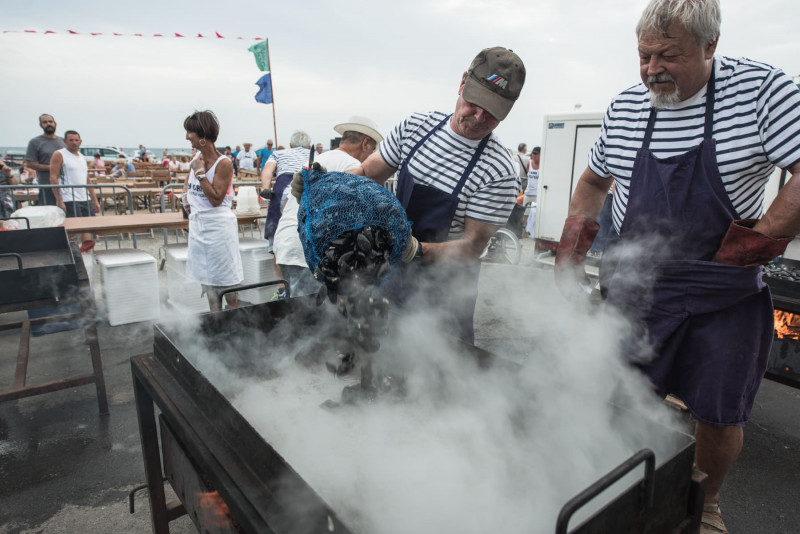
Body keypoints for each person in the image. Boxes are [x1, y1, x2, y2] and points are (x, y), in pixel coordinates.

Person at [553, 1, 800, 532]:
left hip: (722, 290)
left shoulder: (761, 91)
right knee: (618, 398)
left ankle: (705, 503)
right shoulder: (626, 107)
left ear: (711, 47)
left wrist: (752, 246)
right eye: (644, 56)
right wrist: (571, 252)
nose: (652, 70)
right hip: (636, 287)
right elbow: (594, 182)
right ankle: (621, 488)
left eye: (669, 55)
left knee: (718, 412)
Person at [343, 47, 525, 343]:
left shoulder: (499, 170)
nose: (479, 117)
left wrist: (415, 251)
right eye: (474, 103)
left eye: (493, 113)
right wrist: (326, 185)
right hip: (392, 273)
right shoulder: (416, 127)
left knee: (437, 376)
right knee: (380, 352)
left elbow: (472, 246)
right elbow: (366, 174)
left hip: (446, 293)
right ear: (462, 82)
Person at [274, 117, 383, 297]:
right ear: (365, 143)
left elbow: (288, 202)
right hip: (307, 251)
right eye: (372, 149)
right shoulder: (353, 165)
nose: (371, 155)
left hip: (286, 243)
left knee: (293, 313)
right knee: (311, 318)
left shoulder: (320, 158)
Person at [182, 110, 243, 312]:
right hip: (199, 230)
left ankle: (233, 323)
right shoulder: (195, 159)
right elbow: (187, 189)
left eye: (190, 132)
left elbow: (216, 199)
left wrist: (200, 173)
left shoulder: (223, 163)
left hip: (218, 231)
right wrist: (185, 200)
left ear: (202, 135)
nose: (187, 136)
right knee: (207, 283)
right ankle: (215, 322)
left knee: (227, 284)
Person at [49, 130, 101, 252]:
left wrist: (94, 199)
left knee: (86, 227)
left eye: (76, 140)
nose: (74, 142)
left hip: (84, 197)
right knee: (71, 229)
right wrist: (59, 199)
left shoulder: (82, 156)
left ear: (80, 141)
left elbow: (87, 178)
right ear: (65, 141)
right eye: (71, 140)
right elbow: (53, 177)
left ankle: (87, 254)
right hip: (69, 197)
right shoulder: (59, 154)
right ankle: (62, 252)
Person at [260, 130, 312, 252]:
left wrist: (265, 188)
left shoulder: (278, 154)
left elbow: (267, 171)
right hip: (307, 194)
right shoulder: (314, 155)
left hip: (283, 192)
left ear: (290, 145)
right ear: (309, 146)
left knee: (278, 246)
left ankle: (275, 248)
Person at [24, 114, 65, 206]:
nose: (48, 124)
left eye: (50, 121)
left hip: (66, 186)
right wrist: (52, 168)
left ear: (55, 123)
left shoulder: (63, 141)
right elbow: (30, 163)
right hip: (47, 185)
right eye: (45, 122)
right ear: (41, 125)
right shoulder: (35, 142)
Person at [523, 146, 540, 236]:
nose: (534, 156)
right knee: (525, 213)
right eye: (533, 153)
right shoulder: (529, 163)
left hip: (537, 194)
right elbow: (527, 174)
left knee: (535, 214)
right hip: (528, 192)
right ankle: (524, 231)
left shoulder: (543, 164)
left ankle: (534, 231)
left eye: (536, 154)